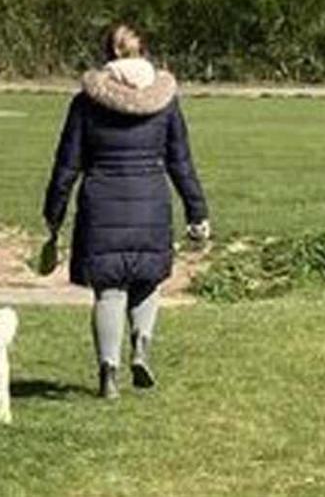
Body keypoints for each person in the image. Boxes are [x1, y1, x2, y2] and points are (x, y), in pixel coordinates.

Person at [43, 24, 209, 399]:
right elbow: (181, 162)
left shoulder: (87, 102)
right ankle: (142, 346)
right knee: (147, 281)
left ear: (108, 53)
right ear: (143, 51)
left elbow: (67, 164)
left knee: (109, 291)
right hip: (151, 198)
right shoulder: (165, 99)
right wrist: (197, 211)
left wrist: (53, 213)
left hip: (101, 201)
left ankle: (108, 373)